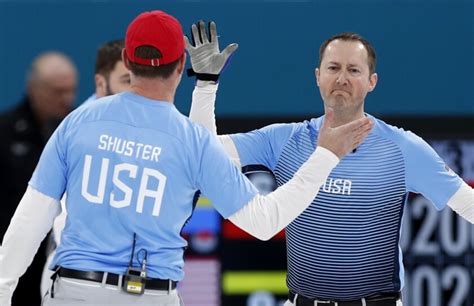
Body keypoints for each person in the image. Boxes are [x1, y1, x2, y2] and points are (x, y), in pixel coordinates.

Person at [0, 11, 372, 306]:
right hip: (151, 295)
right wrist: (325, 155)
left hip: (75, 292)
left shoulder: (77, 122)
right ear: (181, 65)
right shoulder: (191, 141)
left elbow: (29, 220)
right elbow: (264, 221)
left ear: (128, 62)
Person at [187, 25, 474, 306]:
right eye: (334, 68)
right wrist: (205, 84)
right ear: (318, 76)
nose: (342, 78)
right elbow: (203, 155)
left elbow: (467, 203)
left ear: (372, 81)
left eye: (354, 70)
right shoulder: (285, 140)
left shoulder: (401, 149)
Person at [39, 39, 131, 297]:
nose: (135, 90)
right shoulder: (81, 133)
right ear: (101, 84)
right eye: (126, 80)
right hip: (77, 277)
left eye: (139, 80)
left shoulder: (135, 123)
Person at [0, 52, 77, 306]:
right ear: (33, 88)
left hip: (64, 263)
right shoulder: (4, 132)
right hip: (16, 257)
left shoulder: (80, 133)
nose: (65, 99)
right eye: (57, 91)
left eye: (70, 91)